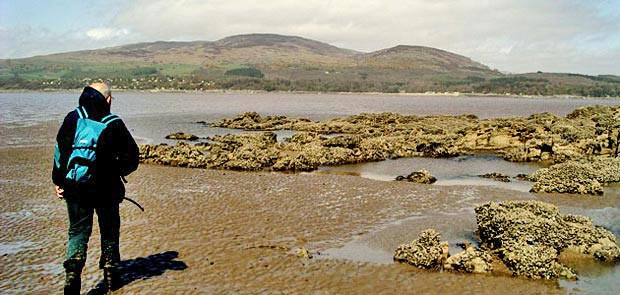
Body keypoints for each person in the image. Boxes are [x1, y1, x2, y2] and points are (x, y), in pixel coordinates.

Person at [52, 82, 139, 294]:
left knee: (78, 232)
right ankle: (111, 275)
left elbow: (60, 153)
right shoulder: (114, 122)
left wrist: (59, 181)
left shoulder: (73, 118)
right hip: (107, 189)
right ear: (108, 100)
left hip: (75, 187)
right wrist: (117, 172)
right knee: (109, 230)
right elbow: (133, 158)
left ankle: (72, 276)